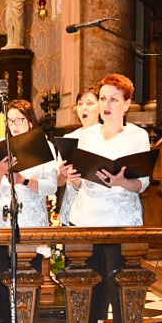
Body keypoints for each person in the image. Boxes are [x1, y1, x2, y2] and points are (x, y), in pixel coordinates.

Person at [63, 74, 150, 323]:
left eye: (114, 99)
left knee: (120, 284)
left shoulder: (138, 136)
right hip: (87, 218)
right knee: (88, 284)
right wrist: (73, 178)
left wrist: (122, 182)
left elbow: (142, 183)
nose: (106, 105)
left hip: (120, 221)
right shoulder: (84, 136)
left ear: (127, 104)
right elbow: (78, 181)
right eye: (103, 98)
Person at [0, 99, 57, 323]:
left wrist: (24, 180)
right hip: (2, 220)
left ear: (30, 121)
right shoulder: (0, 148)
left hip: (31, 220)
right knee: (5, 276)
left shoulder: (43, 146)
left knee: (29, 277)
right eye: (10, 120)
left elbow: (51, 186)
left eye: (19, 120)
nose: (14, 125)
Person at [58, 86, 101, 226]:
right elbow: (59, 182)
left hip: (97, 210)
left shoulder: (105, 136)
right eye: (80, 104)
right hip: (71, 209)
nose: (84, 108)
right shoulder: (69, 138)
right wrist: (63, 174)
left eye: (89, 103)